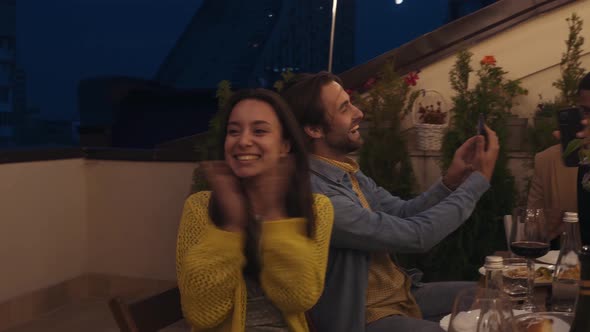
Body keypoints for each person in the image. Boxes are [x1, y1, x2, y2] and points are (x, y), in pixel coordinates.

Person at [281, 72, 500, 332]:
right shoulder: (317, 196)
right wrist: (478, 181)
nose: (359, 112)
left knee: (496, 301)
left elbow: (402, 212)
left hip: (404, 296)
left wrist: (450, 182)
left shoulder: (345, 171)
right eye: (344, 107)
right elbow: (416, 235)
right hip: (366, 315)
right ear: (314, 129)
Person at [175, 89, 334, 331]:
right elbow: (201, 313)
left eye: (259, 131)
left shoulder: (317, 209)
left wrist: (275, 218)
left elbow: (298, 299)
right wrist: (231, 228)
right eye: (234, 131)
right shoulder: (199, 207)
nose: (243, 141)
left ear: (284, 146)